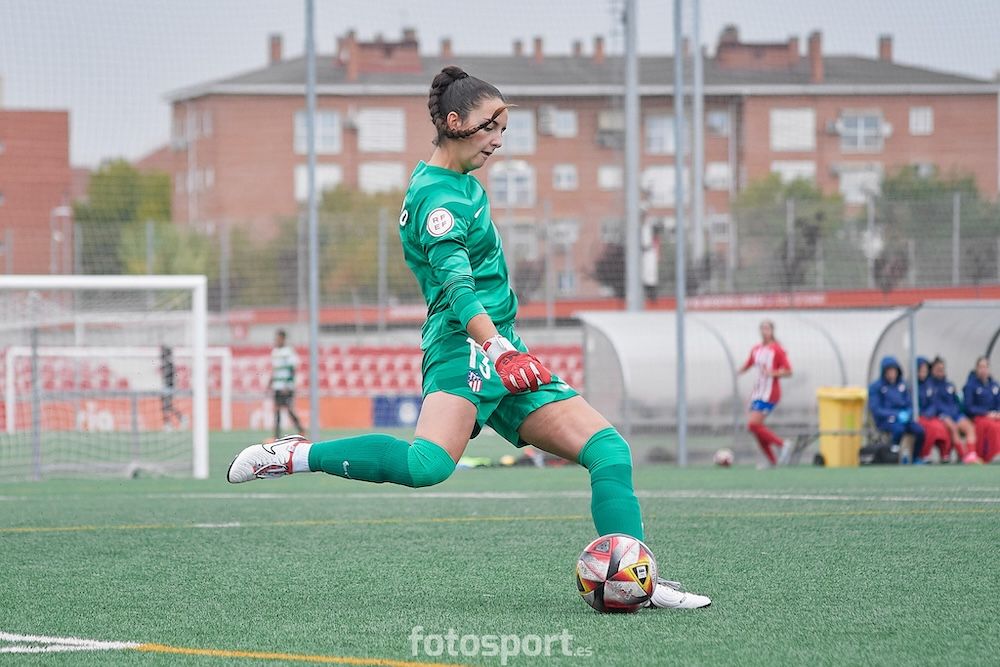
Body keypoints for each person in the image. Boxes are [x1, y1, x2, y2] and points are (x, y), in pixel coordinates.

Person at [227, 66, 710, 609]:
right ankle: (296, 454)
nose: (498, 139)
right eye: (489, 127)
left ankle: (638, 579)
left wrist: (505, 349)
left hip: (501, 348)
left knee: (608, 450)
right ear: (454, 122)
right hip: (465, 346)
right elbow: (458, 288)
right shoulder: (440, 200)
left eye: (503, 128)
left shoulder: (461, 184)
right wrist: (498, 351)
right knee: (426, 466)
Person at [738, 319, 793, 468]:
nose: (764, 331)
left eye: (767, 329)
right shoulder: (756, 349)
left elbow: (788, 371)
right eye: (762, 328)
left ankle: (782, 444)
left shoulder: (777, 350)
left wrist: (772, 373)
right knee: (755, 428)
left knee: (753, 424)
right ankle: (771, 461)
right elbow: (749, 363)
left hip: (770, 393)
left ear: (772, 331)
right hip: (758, 392)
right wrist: (738, 372)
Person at [868, 356, 924, 464]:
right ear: (884, 371)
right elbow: (876, 409)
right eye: (889, 370)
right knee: (898, 429)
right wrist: (896, 414)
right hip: (885, 420)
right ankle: (893, 456)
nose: (892, 373)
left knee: (919, 431)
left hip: (903, 420)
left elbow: (909, 403)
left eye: (894, 370)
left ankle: (915, 457)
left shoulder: (902, 385)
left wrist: (908, 413)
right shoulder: (876, 387)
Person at [927, 357, 978, 463]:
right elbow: (934, 405)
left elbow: (956, 402)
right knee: (953, 428)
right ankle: (963, 456)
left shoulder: (950, 385)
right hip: (942, 416)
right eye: (938, 369)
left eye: (942, 369)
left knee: (969, 427)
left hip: (955, 415)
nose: (941, 371)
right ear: (932, 370)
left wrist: (958, 413)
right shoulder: (930, 386)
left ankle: (971, 454)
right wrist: (943, 415)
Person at [915, 356, 953, 462]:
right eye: (921, 370)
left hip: (929, 416)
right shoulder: (912, 386)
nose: (923, 373)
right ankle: (925, 454)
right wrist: (922, 413)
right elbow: (911, 403)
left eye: (925, 370)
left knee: (942, 428)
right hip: (919, 416)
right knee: (932, 429)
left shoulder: (929, 385)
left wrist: (930, 412)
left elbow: (933, 402)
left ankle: (945, 454)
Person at [962, 356, 999, 463]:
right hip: (978, 417)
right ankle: (993, 455)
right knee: (993, 426)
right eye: (981, 367)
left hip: (993, 416)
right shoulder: (970, 385)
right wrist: (986, 413)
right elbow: (968, 407)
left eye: (985, 367)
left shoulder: (994, 385)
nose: (983, 370)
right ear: (976, 369)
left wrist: (997, 413)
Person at [270, 329, 303, 440]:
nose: (276, 341)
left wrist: (288, 384)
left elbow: (292, 369)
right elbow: (275, 370)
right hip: (277, 386)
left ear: (283, 339)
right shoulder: (275, 352)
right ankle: (276, 436)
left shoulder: (288, 352)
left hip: (286, 387)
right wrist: (270, 382)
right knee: (277, 410)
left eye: (278, 338)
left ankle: (300, 429)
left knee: (289, 409)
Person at [159, 344, 184, 429]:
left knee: (167, 406)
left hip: (168, 388)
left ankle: (172, 422)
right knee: (166, 407)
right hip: (165, 388)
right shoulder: (166, 363)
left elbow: (171, 378)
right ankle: (170, 422)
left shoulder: (168, 364)